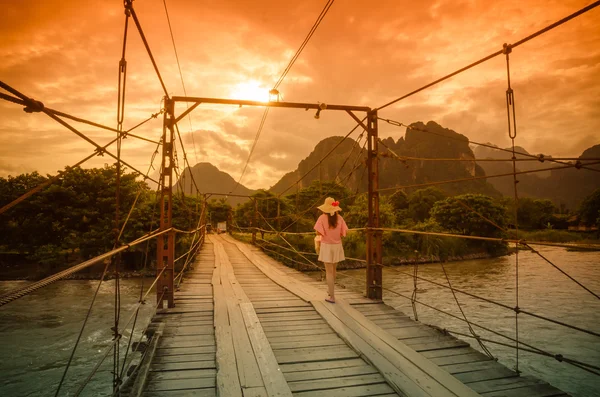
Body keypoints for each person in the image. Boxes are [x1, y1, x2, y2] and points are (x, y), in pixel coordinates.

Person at [314, 197, 348, 303]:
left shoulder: (322, 218)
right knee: (333, 270)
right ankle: (330, 290)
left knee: (328, 272)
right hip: (337, 246)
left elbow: (318, 233)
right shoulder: (340, 218)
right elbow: (343, 233)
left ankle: (332, 297)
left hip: (326, 246)